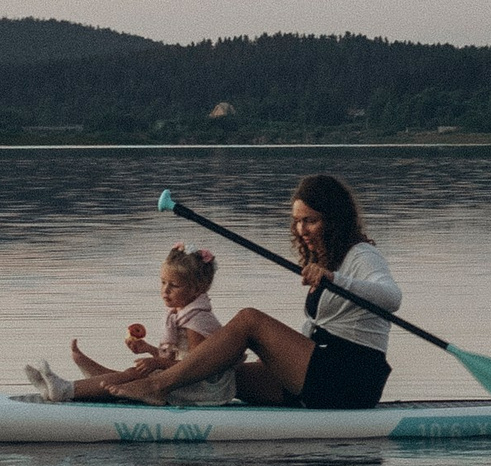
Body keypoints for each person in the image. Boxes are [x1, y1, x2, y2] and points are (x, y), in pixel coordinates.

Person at [117, 174, 397, 410]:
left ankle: (157, 386)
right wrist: (275, 356)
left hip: (351, 379)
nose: (301, 230)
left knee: (250, 320)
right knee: (221, 378)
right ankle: (117, 390)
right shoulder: (325, 260)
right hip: (321, 371)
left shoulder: (362, 255)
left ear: (335, 219)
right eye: (297, 221)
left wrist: (335, 279)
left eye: (310, 220)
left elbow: (392, 297)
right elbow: (322, 328)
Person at [28, 244, 237, 404]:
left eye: (174, 285)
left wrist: (157, 363)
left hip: (205, 389)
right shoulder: (181, 313)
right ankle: (84, 381)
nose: (165, 290)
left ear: (196, 289)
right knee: (135, 373)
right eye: (163, 282)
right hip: (189, 378)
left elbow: (197, 368)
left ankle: (67, 390)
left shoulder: (197, 320)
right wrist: (149, 350)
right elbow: (180, 359)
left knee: (135, 375)